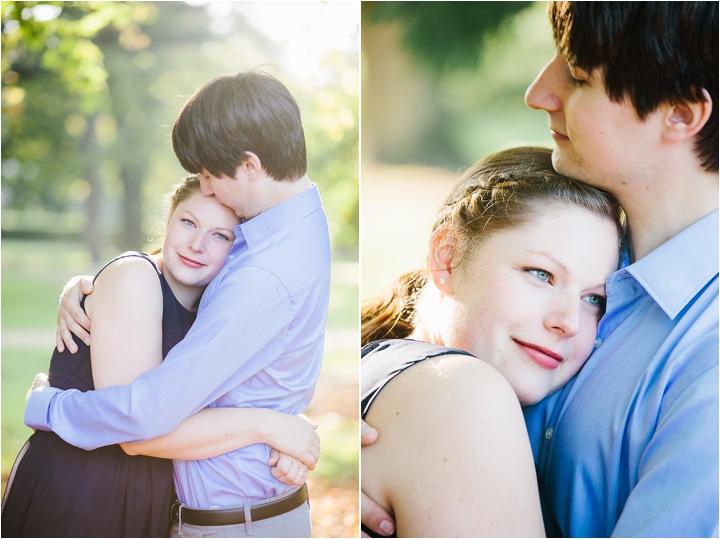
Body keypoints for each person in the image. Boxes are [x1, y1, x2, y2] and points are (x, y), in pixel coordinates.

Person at [362, 2, 718, 537]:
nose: (538, 93)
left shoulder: (704, 353)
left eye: (577, 75)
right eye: (541, 276)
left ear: (681, 114)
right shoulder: (575, 238)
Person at [24, 71, 332, 538]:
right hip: (131, 498)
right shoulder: (285, 228)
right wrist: (97, 285)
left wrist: (50, 408)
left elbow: (143, 420)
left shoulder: (265, 274)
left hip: (233, 522)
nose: (205, 187)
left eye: (210, 175)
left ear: (250, 166)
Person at [360, 146, 623, 537]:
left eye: (593, 299)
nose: (568, 322)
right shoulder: (464, 389)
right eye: (541, 274)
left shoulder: (395, 377)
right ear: (446, 257)